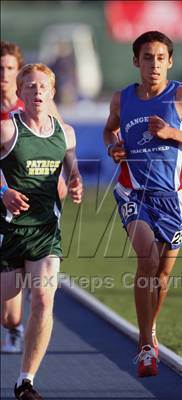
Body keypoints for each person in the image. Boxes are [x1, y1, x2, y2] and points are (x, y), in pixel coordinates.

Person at [103, 31, 182, 377]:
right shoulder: (122, 99)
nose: (153, 64)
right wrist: (113, 148)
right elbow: (110, 131)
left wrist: (173, 133)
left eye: (160, 58)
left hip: (173, 197)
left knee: (162, 275)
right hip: (133, 191)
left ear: (169, 61)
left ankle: (150, 329)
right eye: (147, 58)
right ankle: (144, 347)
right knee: (147, 259)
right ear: (136, 61)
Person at [0, 63, 83, 399]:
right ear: (20, 94)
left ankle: (26, 381)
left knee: (44, 301)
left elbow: (72, 167)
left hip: (46, 233)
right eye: (30, 86)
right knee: (9, 315)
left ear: (52, 92)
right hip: (7, 233)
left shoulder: (67, 133)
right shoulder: (7, 129)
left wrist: (76, 182)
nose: (37, 92)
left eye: (43, 87)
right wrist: (3, 191)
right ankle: (10, 327)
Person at [0, 41, 67, 354]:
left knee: (15, 313)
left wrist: (67, 177)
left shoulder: (37, 102)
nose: (3, 74)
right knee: (8, 306)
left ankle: (14, 331)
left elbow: (58, 145)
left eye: (9, 68)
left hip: (31, 218)